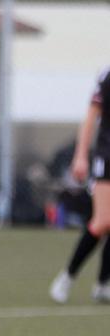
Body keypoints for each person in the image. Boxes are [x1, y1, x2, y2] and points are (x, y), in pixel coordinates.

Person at [50, 66, 110, 304]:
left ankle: (103, 284)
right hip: (107, 158)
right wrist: (81, 155)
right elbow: (91, 117)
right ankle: (67, 276)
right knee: (102, 221)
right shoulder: (108, 76)